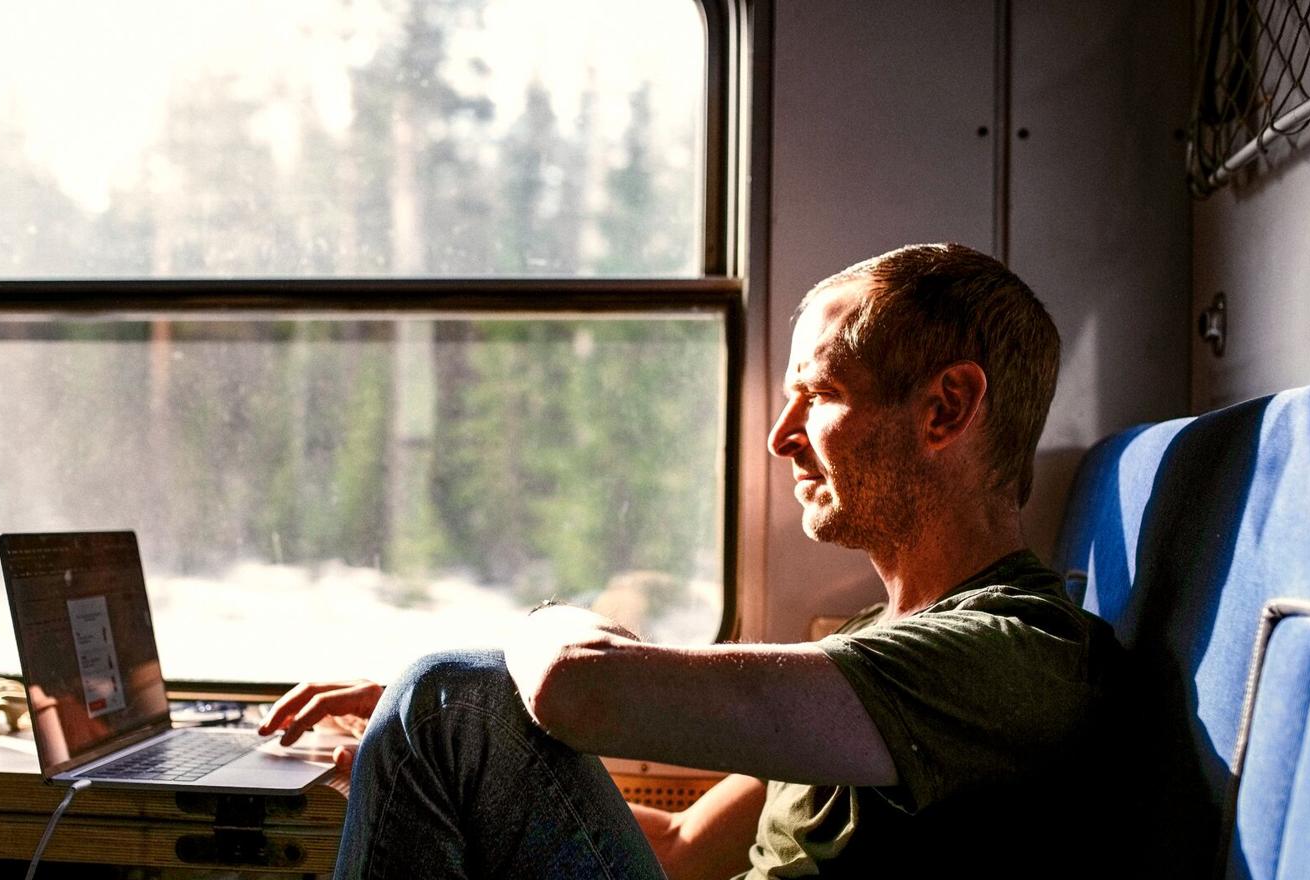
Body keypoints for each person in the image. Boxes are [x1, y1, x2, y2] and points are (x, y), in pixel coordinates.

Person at [259, 243, 1129, 879]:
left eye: (819, 394)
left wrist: (532, 640)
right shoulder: (873, 639)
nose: (780, 437)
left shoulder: (1010, 655)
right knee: (449, 713)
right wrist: (447, 772)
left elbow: (576, 685)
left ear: (945, 408)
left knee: (454, 690)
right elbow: (676, 849)